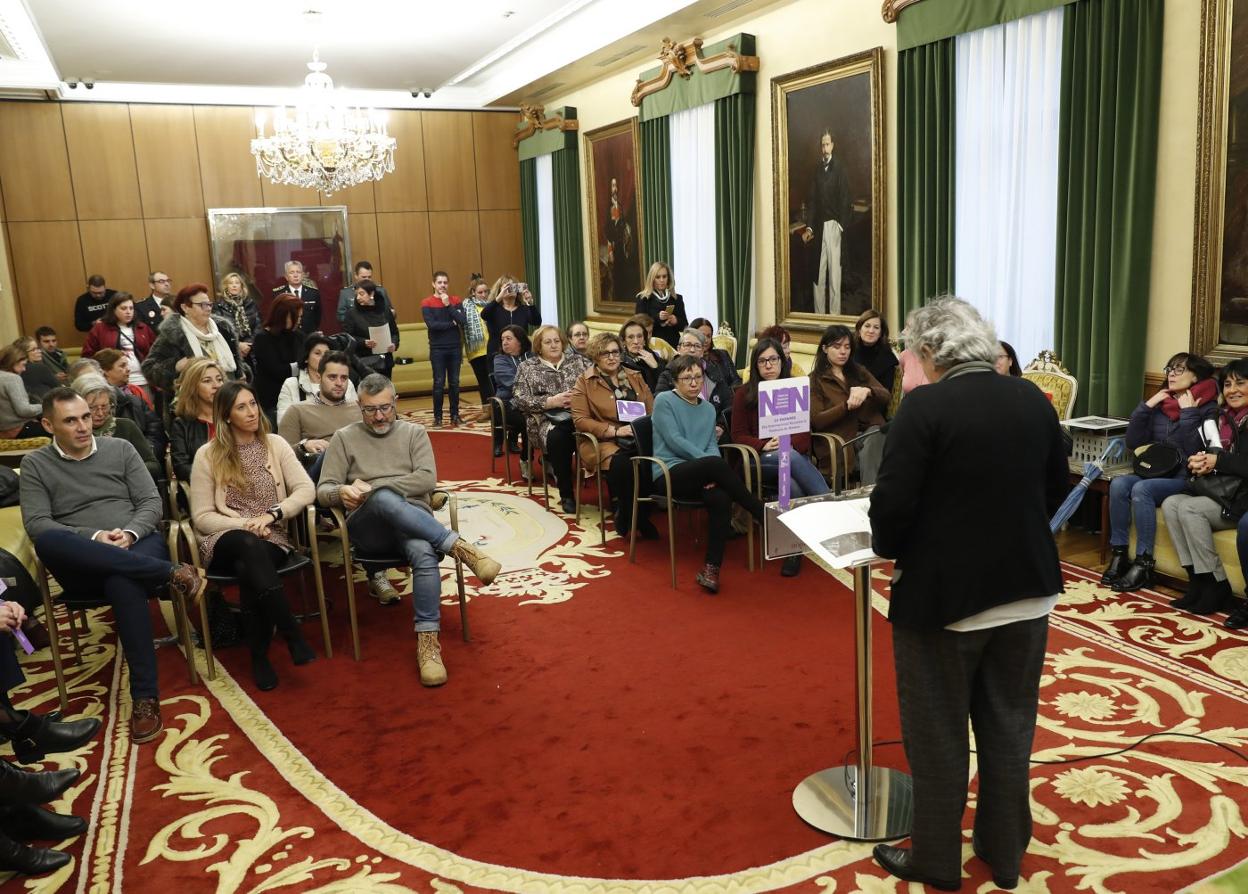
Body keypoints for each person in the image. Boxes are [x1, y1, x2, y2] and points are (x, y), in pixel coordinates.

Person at [867, 297, 1068, 893]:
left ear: (929, 352)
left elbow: (891, 516)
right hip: (1028, 595)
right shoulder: (1033, 397)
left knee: (939, 737)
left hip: (943, 606)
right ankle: (1003, 854)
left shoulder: (925, 408)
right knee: (1010, 729)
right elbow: (1055, 486)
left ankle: (935, 859)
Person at [20, 388, 206, 743]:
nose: (83, 426)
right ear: (48, 425)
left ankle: (145, 698)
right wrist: (94, 536)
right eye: (70, 420)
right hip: (83, 560)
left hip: (137, 543)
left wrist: (131, 534)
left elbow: (151, 502)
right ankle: (172, 574)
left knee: (123, 580)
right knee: (48, 540)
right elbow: (39, 523)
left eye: (86, 417)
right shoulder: (35, 464)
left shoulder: (120, 448)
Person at [317, 374, 501, 686]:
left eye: (385, 408)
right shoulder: (345, 437)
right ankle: (460, 548)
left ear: (395, 402)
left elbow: (426, 480)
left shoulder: (414, 433)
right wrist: (342, 493)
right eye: (370, 410)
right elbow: (323, 490)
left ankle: (428, 643)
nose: (379, 416)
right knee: (383, 498)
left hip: (413, 521)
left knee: (422, 550)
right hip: (368, 527)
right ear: (358, 407)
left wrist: (375, 485)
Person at [189, 381, 317, 690]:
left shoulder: (275, 444)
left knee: (251, 566)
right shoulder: (208, 455)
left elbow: (306, 489)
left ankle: (259, 655)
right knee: (247, 544)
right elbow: (202, 517)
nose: (251, 412)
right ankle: (291, 633)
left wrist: (272, 515)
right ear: (226, 416)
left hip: (271, 536)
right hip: (224, 540)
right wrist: (247, 524)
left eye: (253, 403)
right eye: (241, 407)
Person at [1101, 351, 1218, 592]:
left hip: (1186, 477)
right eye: (1170, 369)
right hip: (1154, 471)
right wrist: (1147, 406)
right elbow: (1133, 441)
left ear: (1195, 377)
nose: (1172, 374)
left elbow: (1196, 450)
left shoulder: (1207, 407)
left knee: (1143, 489)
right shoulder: (1162, 404)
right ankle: (1120, 554)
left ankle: (1144, 564)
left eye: (1179, 370)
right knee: (1120, 484)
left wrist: (1188, 413)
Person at [651, 354, 764, 593]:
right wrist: (711, 466)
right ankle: (761, 513)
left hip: (702, 472)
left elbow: (712, 445)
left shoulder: (708, 409)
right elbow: (674, 441)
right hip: (669, 472)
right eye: (687, 378)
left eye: (698, 377)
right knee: (716, 464)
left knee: (721, 497)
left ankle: (711, 568)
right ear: (675, 381)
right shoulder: (664, 400)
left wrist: (711, 470)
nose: (694, 382)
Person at [731, 337, 829, 576]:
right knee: (791, 458)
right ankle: (827, 506)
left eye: (773, 359)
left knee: (793, 482)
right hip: (758, 460)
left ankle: (792, 551)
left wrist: (787, 444)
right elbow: (737, 435)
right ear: (755, 365)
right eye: (762, 361)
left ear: (782, 361)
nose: (768, 365)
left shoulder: (794, 388)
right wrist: (764, 444)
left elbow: (805, 436)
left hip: (792, 458)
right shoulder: (744, 394)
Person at [1164, 359, 1248, 621]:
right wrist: (1199, 462)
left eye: (1241, 383)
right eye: (1228, 383)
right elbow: (1211, 454)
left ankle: (1216, 582)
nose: (1233, 389)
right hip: (1223, 492)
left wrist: (1217, 461)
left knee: (1189, 508)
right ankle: (1198, 580)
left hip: (1242, 498)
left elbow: (1237, 463)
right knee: (1171, 504)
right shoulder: (1222, 418)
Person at [571, 332, 657, 538]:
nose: (611, 357)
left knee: (648, 462)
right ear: (595, 356)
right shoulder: (584, 382)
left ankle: (634, 514)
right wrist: (615, 431)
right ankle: (635, 516)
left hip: (637, 437)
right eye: (605, 353)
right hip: (603, 440)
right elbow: (580, 420)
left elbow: (653, 409)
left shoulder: (634, 376)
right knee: (625, 466)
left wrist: (639, 429)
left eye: (615, 352)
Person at [511, 325, 592, 515]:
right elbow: (518, 398)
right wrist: (549, 402)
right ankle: (567, 494)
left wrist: (581, 399)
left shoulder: (579, 362)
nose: (554, 345)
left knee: (594, 431)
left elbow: (598, 386)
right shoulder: (528, 367)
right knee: (558, 438)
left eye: (557, 341)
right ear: (539, 346)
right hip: (545, 420)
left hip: (581, 415)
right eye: (548, 342)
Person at [810, 323, 890, 486]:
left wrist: (867, 391)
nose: (843, 352)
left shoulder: (858, 371)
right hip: (841, 441)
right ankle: (872, 495)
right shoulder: (815, 380)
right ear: (825, 349)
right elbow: (816, 420)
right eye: (837, 346)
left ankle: (872, 495)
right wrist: (846, 406)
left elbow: (886, 396)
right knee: (877, 442)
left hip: (868, 433)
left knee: (879, 433)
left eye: (847, 347)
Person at [142, 283, 242, 397]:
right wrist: (175, 366)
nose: (208, 308)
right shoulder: (173, 333)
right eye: (202, 305)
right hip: (193, 402)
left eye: (209, 304)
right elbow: (148, 368)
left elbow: (237, 362)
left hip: (229, 396)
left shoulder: (223, 329)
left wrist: (242, 373)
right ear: (185, 308)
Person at [278, 350, 358, 482]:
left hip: (359, 470)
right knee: (332, 450)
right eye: (332, 377)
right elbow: (281, 456)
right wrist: (304, 446)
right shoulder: (297, 411)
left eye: (344, 378)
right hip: (320, 472)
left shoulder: (360, 408)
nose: (339, 383)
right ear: (319, 377)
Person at [73, 373, 160, 485]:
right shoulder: (73, 434)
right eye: (92, 408)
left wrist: (124, 471)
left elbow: (153, 465)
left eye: (104, 406)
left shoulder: (126, 426)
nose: (100, 413)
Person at [801, 129, 852, 315]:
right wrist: (810, 227)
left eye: (827, 144)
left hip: (833, 226)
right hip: (819, 228)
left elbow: (847, 201)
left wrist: (840, 226)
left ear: (833, 145)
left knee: (834, 277)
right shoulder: (816, 170)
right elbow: (813, 201)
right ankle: (819, 316)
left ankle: (835, 318)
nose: (825, 148)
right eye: (822, 144)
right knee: (819, 274)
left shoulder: (840, 169)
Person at [81, 292, 157, 400]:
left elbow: (155, 352)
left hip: (142, 380)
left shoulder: (142, 327)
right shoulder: (100, 329)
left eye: (131, 308)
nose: (128, 312)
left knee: (145, 413)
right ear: (113, 310)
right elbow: (87, 356)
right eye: (123, 308)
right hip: (113, 384)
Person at [94, 347, 165, 459]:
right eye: (122, 366)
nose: (128, 369)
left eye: (127, 365)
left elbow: (154, 428)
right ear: (105, 372)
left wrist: (148, 450)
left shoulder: (136, 391)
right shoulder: (98, 401)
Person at [654, 328, 734, 427]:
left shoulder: (714, 372)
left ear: (702, 351)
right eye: (687, 345)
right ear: (678, 349)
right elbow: (661, 407)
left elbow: (729, 404)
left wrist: (721, 426)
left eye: (697, 346)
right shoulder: (668, 374)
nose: (692, 350)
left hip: (714, 429)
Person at [275, 334, 358, 423]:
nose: (323, 358)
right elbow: (283, 423)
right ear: (306, 358)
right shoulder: (291, 384)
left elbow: (357, 418)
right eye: (317, 353)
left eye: (326, 354)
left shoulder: (346, 383)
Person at [420, 271, 465, 427]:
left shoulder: (455, 300)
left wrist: (448, 305)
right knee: (439, 383)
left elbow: (462, 320)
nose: (443, 285)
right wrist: (451, 324)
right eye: (439, 282)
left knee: (454, 383)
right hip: (437, 349)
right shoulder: (426, 302)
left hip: (455, 348)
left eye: (445, 282)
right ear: (433, 284)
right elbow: (432, 325)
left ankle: (455, 415)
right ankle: (437, 417)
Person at [169, 358, 224, 485]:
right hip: (205, 487)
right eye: (207, 381)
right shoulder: (182, 424)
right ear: (193, 387)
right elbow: (181, 468)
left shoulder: (232, 417)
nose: (216, 385)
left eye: (219, 379)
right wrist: (215, 477)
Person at [250, 295, 306, 419]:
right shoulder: (263, 338)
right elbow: (277, 370)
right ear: (285, 315)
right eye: (297, 317)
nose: (299, 321)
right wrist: (302, 364)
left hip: (297, 397)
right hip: (271, 401)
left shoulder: (298, 336)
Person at [492, 325, 531, 466]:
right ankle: (526, 460)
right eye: (503, 339)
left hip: (530, 402)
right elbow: (513, 384)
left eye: (509, 338)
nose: (504, 342)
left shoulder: (531, 356)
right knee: (530, 422)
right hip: (506, 403)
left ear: (520, 340)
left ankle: (549, 460)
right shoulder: (500, 359)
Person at [345, 280, 400, 382]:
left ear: (371, 294)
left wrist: (394, 344)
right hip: (364, 360)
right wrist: (363, 342)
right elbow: (347, 337)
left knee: (385, 391)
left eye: (361, 294)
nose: (358, 298)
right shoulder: (352, 314)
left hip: (385, 361)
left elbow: (394, 333)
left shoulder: (385, 311)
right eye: (357, 295)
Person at [480, 275, 540, 357]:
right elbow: (484, 315)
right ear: (500, 290)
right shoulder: (494, 309)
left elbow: (536, 321)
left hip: (521, 353)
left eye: (513, 287)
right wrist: (499, 298)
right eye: (507, 287)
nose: (511, 290)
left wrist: (530, 303)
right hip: (498, 353)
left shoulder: (523, 309)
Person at [634, 262, 687, 347]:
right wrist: (658, 318)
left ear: (668, 278)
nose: (662, 280)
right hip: (652, 344)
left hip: (673, 344)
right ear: (652, 279)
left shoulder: (677, 298)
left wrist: (675, 320)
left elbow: (685, 325)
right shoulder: (643, 299)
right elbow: (639, 326)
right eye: (658, 277)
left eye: (664, 276)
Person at [213, 272, 261, 363]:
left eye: (237, 283)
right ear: (226, 286)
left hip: (251, 350)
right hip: (231, 351)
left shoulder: (250, 304)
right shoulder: (218, 306)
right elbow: (219, 330)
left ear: (241, 286)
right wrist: (238, 345)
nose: (234, 285)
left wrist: (249, 344)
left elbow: (258, 326)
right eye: (231, 283)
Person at [462, 274, 493, 401]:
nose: (484, 294)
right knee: (483, 381)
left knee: (494, 380)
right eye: (480, 292)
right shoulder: (466, 306)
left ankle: (498, 409)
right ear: (473, 292)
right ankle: (487, 410)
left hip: (491, 348)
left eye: (486, 291)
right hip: (476, 351)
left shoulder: (492, 305)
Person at [0, 345, 42, 439]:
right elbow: (24, 410)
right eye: (23, 364)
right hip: (18, 429)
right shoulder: (12, 378)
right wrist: (46, 405)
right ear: (13, 362)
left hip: (3, 432)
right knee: (61, 429)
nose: (24, 369)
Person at [854, 309, 899, 394]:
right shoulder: (848, 351)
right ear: (859, 330)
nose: (871, 331)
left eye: (876, 327)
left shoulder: (888, 358)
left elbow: (886, 392)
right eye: (867, 326)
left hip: (873, 401)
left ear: (881, 333)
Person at [690, 317, 742, 389]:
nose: (706, 340)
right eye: (701, 335)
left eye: (708, 336)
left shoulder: (723, 354)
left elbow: (736, 380)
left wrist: (728, 394)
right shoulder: (686, 360)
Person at [271, 260, 321, 334]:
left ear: (303, 275)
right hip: (287, 337)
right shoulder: (279, 294)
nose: (295, 275)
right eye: (292, 272)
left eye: (298, 272)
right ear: (286, 276)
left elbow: (318, 316)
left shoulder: (313, 293)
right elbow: (276, 318)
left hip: (308, 336)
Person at [620, 316, 664, 393]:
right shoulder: (620, 361)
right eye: (631, 337)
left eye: (639, 336)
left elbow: (667, 385)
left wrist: (656, 367)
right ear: (624, 341)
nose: (636, 341)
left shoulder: (652, 355)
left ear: (644, 339)